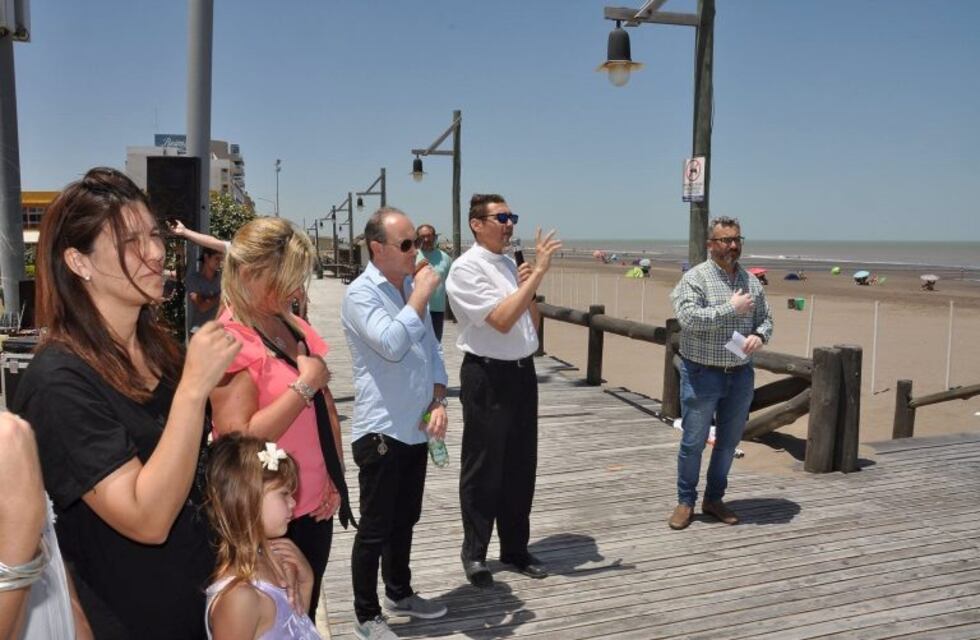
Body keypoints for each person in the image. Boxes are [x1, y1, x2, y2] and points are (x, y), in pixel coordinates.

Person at [11, 167, 240, 638]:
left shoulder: (158, 351)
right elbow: (146, 518)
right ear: (79, 262)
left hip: (198, 608)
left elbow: (194, 479)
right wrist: (193, 390)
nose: (155, 252)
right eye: (131, 242)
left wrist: (252, 549)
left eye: (154, 235)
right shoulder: (58, 382)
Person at [210, 217, 353, 621]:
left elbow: (326, 407)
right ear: (247, 273)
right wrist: (304, 385)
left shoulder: (291, 324)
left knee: (304, 611)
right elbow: (238, 439)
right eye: (284, 280)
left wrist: (334, 476)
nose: (294, 290)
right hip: (265, 516)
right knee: (278, 618)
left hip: (313, 502)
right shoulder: (231, 340)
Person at [341, 207, 449, 640]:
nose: (415, 252)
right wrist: (420, 294)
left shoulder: (407, 286)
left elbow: (432, 352)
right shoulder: (360, 294)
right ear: (377, 248)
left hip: (415, 427)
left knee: (406, 518)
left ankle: (399, 592)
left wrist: (438, 400)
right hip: (381, 429)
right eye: (406, 244)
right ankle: (366, 614)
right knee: (375, 527)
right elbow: (391, 343)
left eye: (416, 243)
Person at [445, 194, 562, 588]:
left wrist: (529, 284)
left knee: (519, 466)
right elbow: (500, 319)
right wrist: (538, 274)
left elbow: (531, 324)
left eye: (512, 217)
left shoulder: (512, 264)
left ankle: (515, 548)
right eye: (501, 217)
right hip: (487, 374)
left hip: (522, 372)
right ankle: (475, 553)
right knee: (483, 467)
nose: (510, 224)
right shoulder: (466, 268)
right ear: (476, 224)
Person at [668, 216, 773, 530]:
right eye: (726, 240)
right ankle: (685, 501)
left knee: (728, 443)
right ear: (711, 245)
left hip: (740, 374)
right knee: (693, 442)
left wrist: (760, 336)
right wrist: (731, 308)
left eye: (737, 239)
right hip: (702, 373)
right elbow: (689, 319)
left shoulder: (751, 281)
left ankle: (714, 499)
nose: (733, 245)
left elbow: (766, 318)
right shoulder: (695, 278)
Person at [203, 433, 321, 640]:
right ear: (247, 500)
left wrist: (306, 583)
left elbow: (295, 630)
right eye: (284, 493)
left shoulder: (272, 558)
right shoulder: (239, 598)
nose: (293, 503)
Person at [414, 224, 452, 341]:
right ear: (417, 238)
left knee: (435, 344)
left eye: (429, 236)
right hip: (415, 309)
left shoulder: (445, 258)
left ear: (434, 237)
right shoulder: (411, 256)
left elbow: (451, 283)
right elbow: (402, 279)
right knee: (415, 346)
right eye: (422, 236)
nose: (426, 239)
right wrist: (417, 268)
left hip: (437, 310)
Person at [186, 247, 224, 332]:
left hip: (219, 331)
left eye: (221, 259)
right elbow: (202, 306)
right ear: (206, 257)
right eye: (217, 258)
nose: (219, 262)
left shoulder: (223, 278)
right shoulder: (194, 280)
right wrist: (222, 295)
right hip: (199, 331)